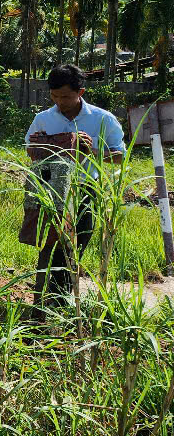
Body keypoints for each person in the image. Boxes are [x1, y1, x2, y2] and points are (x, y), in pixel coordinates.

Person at [23, 63, 125, 308]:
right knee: (49, 243)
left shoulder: (103, 119)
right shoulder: (43, 118)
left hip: (85, 189)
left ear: (80, 93)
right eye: (55, 96)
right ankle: (50, 299)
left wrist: (91, 152)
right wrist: (48, 144)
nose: (60, 101)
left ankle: (58, 298)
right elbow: (30, 150)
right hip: (50, 189)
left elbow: (120, 155)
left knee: (77, 241)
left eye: (66, 96)